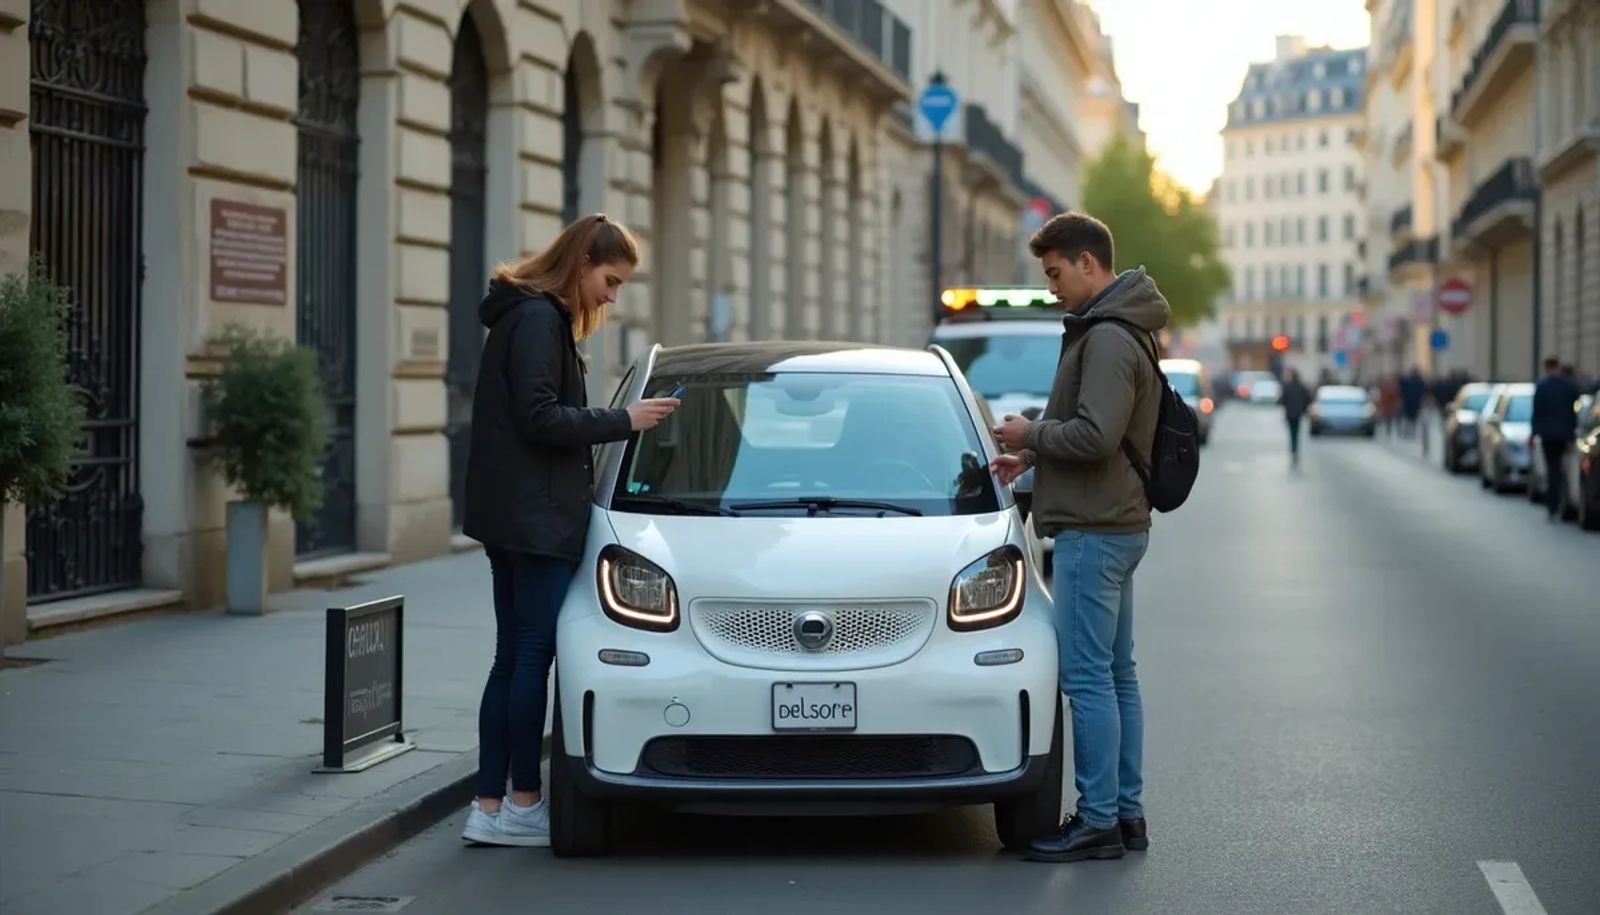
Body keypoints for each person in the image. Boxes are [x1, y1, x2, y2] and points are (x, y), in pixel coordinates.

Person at [458, 214, 679, 846]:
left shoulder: (524, 317)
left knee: (511, 658)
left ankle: (490, 805)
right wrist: (624, 420)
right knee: (531, 658)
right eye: (610, 281)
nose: (613, 296)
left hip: (515, 513)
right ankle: (521, 800)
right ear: (581, 264)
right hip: (535, 518)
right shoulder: (536, 320)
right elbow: (539, 417)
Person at [989, 211, 1170, 863]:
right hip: (1115, 520)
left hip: (1096, 527)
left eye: (1057, 272)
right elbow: (1097, 429)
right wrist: (1034, 459)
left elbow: (1094, 436)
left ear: (1089, 263)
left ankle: (1096, 819)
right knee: (1117, 675)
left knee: (1089, 678)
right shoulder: (1121, 327)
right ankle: (1125, 814)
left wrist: (1028, 435)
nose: (1053, 287)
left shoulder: (1110, 337)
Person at [1532, 356, 1581, 522]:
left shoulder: (1542, 386)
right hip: (1565, 435)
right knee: (1564, 469)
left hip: (1547, 435)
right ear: (1557, 367)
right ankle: (1562, 503)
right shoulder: (1568, 386)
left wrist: (1535, 433)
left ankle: (1553, 505)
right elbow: (1576, 405)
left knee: (1552, 468)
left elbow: (1536, 412)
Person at [1279, 369, 1312, 464]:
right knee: (1296, 432)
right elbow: (1308, 399)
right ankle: (1295, 449)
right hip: (1298, 414)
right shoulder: (1301, 387)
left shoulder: (1287, 387)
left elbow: (1282, 400)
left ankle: (1293, 449)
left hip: (1290, 414)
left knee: (1291, 432)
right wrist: (1303, 408)